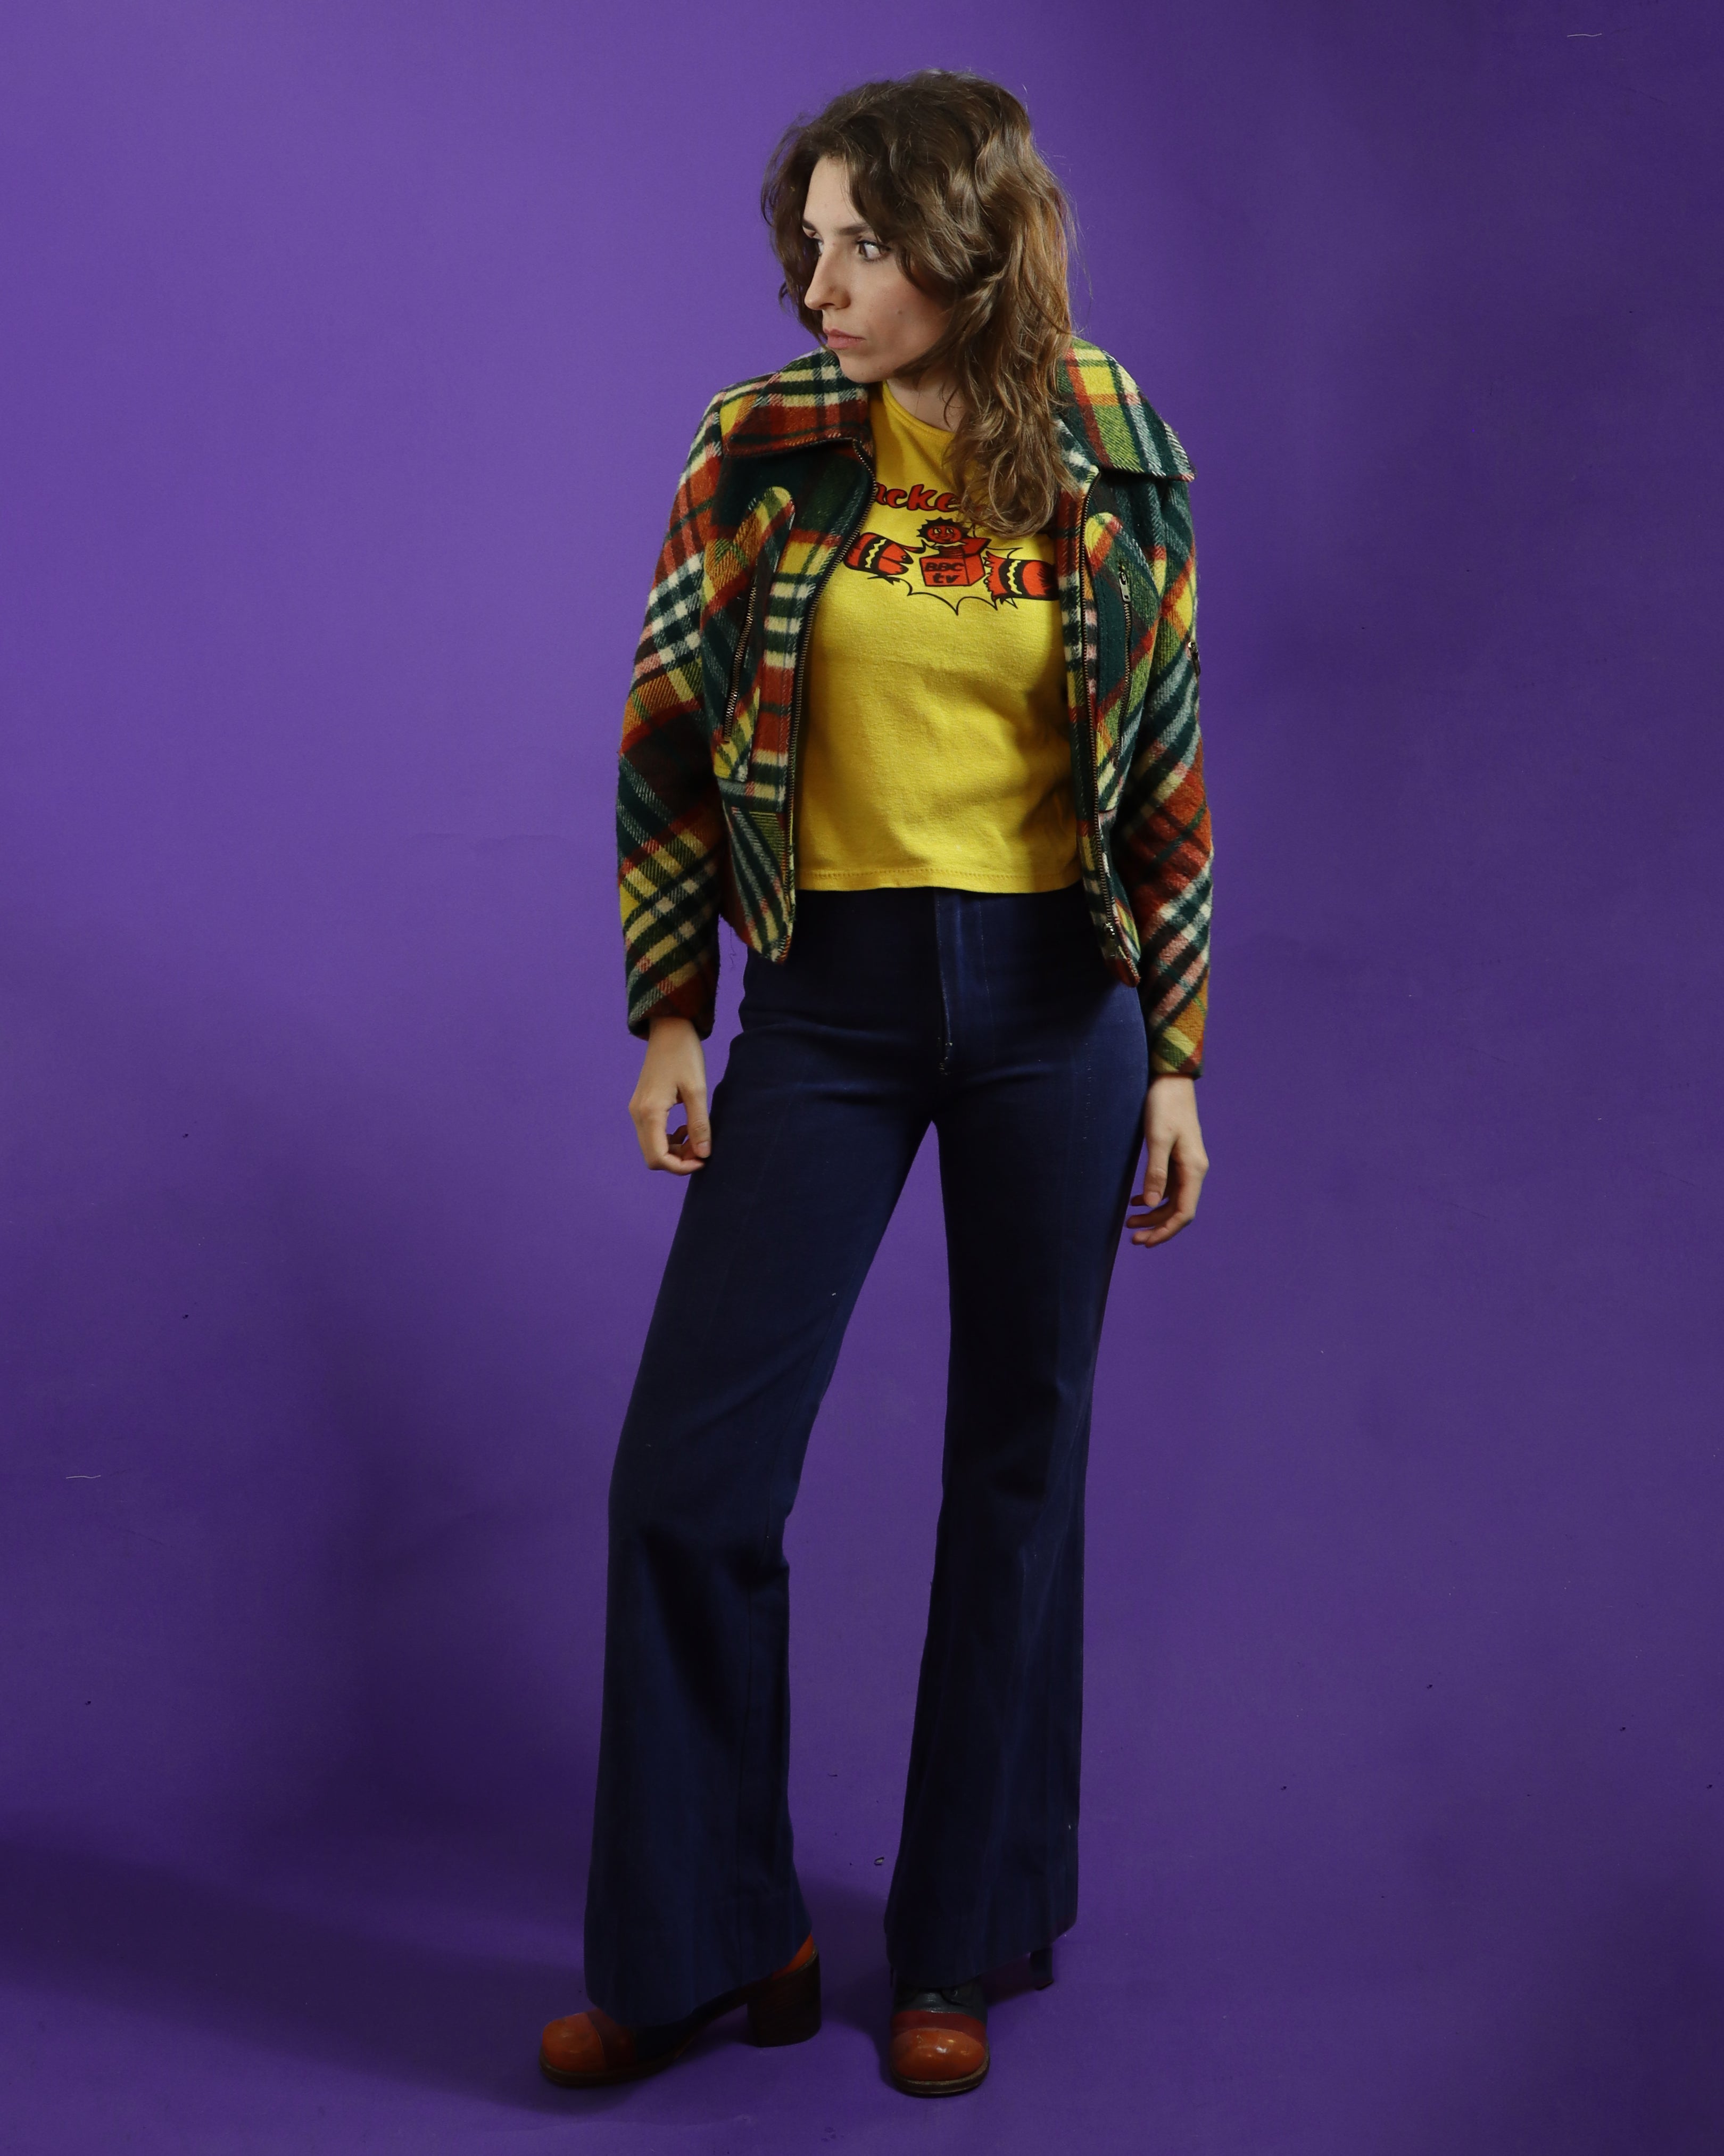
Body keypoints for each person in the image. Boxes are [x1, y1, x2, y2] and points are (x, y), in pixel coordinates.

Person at [539, 68, 1211, 2100]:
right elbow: (669, 734)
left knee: (1021, 1461)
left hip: (1058, 1006)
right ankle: (712, 1936)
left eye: (859, 245)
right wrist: (673, 1010)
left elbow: (1164, 764)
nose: (817, 284)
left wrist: (1176, 1051)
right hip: (822, 1002)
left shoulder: (1111, 445)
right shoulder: (758, 446)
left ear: (969, 249)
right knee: (689, 1480)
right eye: (809, 246)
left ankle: (966, 1936)